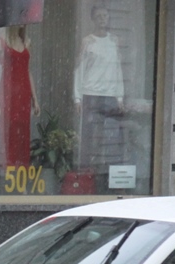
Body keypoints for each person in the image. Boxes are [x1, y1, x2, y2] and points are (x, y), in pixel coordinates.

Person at [74, 4, 125, 180]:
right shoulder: (88, 42)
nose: (103, 19)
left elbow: (118, 69)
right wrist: (77, 97)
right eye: (99, 16)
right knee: (89, 135)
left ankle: (106, 173)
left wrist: (120, 96)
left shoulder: (114, 41)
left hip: (110, 94)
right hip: (91, 93)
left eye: (105, 16)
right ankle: (86, 172)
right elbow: (79, 69)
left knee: (110, 136)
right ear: (93, 19)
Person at [0, 25, 40, 170]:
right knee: (10, 127)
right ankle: (9, 167)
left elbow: (28, 70)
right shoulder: (2, 41)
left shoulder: (26, 42)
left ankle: (22, 168)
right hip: (9, 89)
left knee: (23, 128)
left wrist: (35, 98)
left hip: (24, 90)